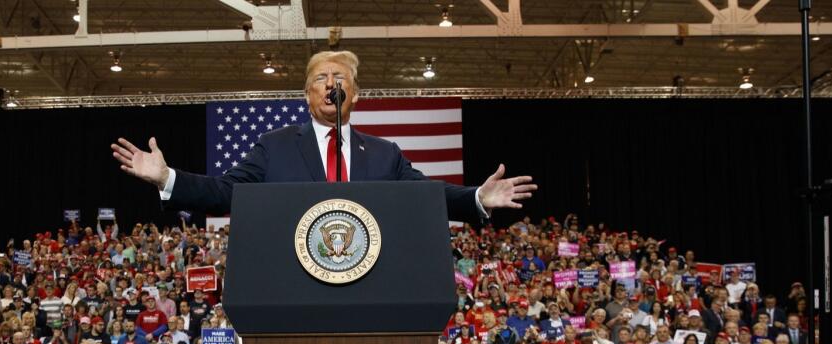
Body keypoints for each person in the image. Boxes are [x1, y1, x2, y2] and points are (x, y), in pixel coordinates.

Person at [112, 50, 535, 222]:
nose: (331, 83)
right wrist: (168, 178)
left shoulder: (386, 155)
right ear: (307, 94)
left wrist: (476, 197)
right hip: (292, 287)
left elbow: (425, 196)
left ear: (355, 94)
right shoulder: (275, 146)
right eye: (321, 77)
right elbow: (225, 191)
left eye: (340, 77)